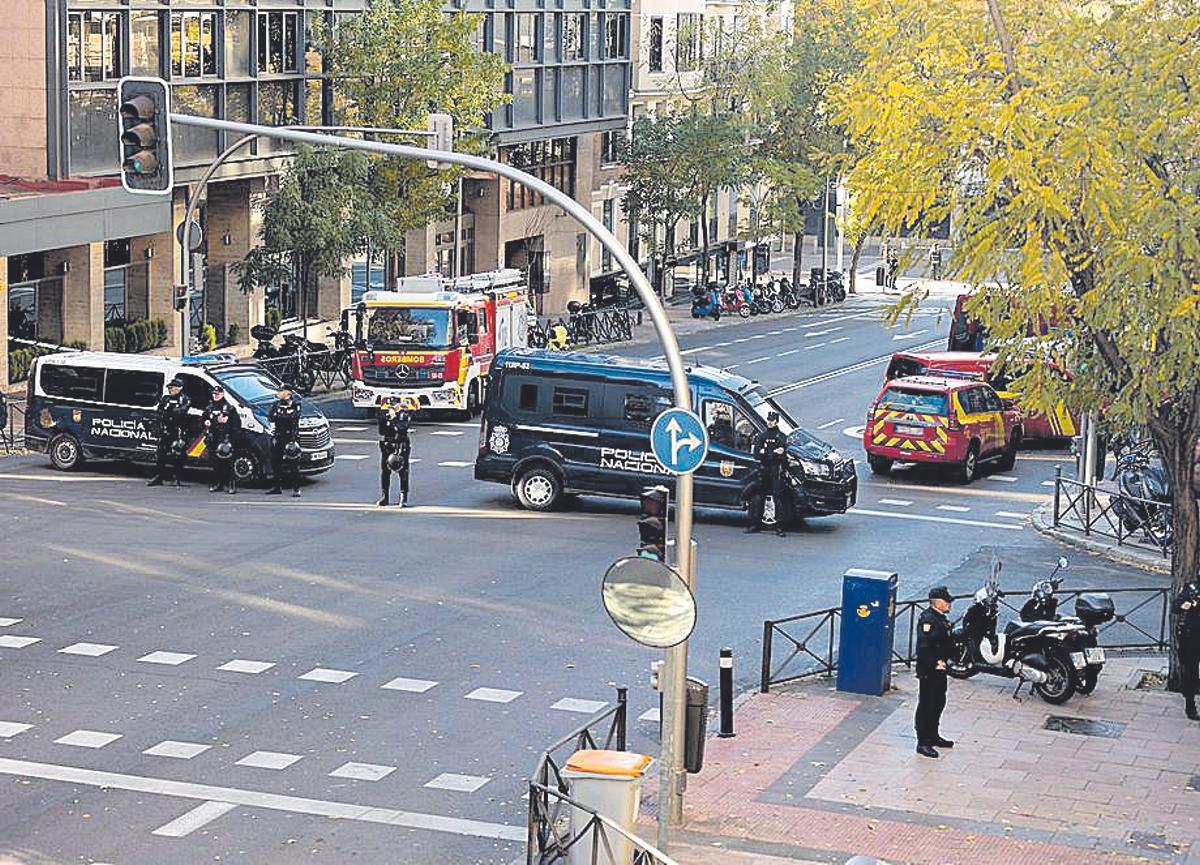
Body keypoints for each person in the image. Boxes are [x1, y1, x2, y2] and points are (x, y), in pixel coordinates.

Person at [915, 586, 956, 758]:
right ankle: (923, 742)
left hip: (940, 669)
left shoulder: (940, 618)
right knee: (927, 704)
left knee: (939, 702)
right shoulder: (928, 620)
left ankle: (933, 735)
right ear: (938, 602)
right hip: (930, 670)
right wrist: (935, 663)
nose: (949, 605)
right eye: (947, 602)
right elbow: (925, 647)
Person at [746, 411, 789, 537]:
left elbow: (782, 455)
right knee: (759, 497)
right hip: (763, 469)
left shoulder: (781, 437)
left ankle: (779, 527)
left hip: (775, 470)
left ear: (776, 421)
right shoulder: (762, 435)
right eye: (768, 420)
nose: (769, 422)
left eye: (772, 420)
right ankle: (755, 524)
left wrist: (767, 452)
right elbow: (756, 453)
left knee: (777, 498)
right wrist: (772, 452)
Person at [147, 377, 190, 487]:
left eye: (173, 388)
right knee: (161, 453)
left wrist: (171, 409)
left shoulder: (184, 399)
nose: (171, 390)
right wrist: (167, 409)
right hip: (166, 429)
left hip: (178, 431)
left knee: (177, 455)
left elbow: (180, 412)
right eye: (170, 388)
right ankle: (159, 476)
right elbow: (160, 410)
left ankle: (177, 478)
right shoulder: (166, 398)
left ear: (180, 388)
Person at [202, 384, 242, 495]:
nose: (215, 396)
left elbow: (236, 425)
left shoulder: (228, 408)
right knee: (215, 463)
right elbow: (204, 418)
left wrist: (231, 437)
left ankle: (231, 485)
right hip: (213, 438)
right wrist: (206, 422)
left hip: (225, 438)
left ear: (223, 394)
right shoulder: (209, 407)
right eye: (214, 394)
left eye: (218, 394)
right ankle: (218, 483)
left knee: (228, 463)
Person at [266, 382, 302, 497]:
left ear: (288, 393)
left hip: (290, 437)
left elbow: (293, 418)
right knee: (276, 462)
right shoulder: (276, 404)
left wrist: (281, 416)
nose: (279, 393)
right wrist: (283, 415)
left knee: (293, 463)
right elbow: (271, 417)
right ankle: (277, 487)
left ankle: (296, 488)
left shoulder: (296, 404)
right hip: (279, 435)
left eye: (281, 391)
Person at [377, 397, 415, 507]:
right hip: (388, 445)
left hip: (400, 445)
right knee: (385, 471)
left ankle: (403, 496)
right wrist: (385, 419)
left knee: (403, 471)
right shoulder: (385, 416)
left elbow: (401, 428)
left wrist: (394, 419)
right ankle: (385, 496)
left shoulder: (404, 415)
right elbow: (382, 431)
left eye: (393, 406)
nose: (391, 409)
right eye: (389, 407)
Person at [1173, 579, 1200, 720]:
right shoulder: (1191, 587)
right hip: (1193, 636)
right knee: (1191, 670)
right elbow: (1176, 607)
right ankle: (1190, 705)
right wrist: (1187, 605)